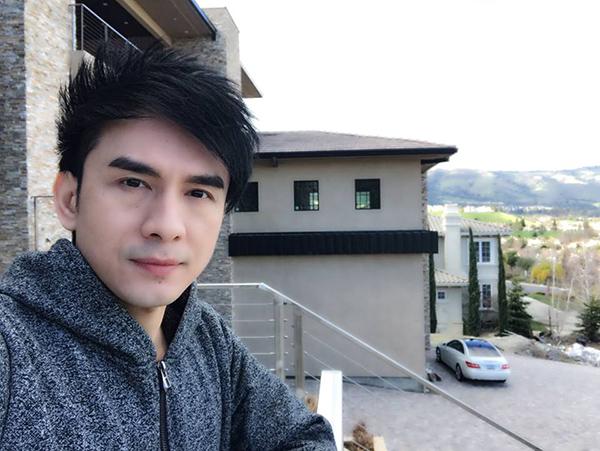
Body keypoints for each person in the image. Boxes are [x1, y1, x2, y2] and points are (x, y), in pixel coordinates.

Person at [0, 46, 336, 450]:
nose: (167, 226)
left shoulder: (206, 339)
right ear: (70, 199)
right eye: (133, 183)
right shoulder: (12, 348)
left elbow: (304, 435)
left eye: (198, 193)